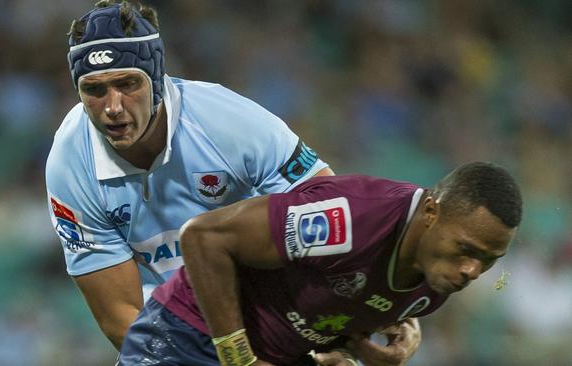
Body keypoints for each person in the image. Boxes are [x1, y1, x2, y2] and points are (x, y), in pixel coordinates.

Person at [46, 1, 421, 363]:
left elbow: (336, 215)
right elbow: (120, 314)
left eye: (127, 84)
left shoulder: (227, 122)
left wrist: (382, 312)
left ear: (156, 77)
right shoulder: (70, 163)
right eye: (94, 90)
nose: (112, 107)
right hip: (169, 333)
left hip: (271, 317)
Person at [118, 161, 523, 366]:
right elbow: (203, 238)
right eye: (466, 249)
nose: (472, 271)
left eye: (489, 261)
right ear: (431, 213)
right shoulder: (348, 219)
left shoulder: (432, 287)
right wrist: (239, 359)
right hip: (185, 339)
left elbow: (330, 311)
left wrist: (356, 354)